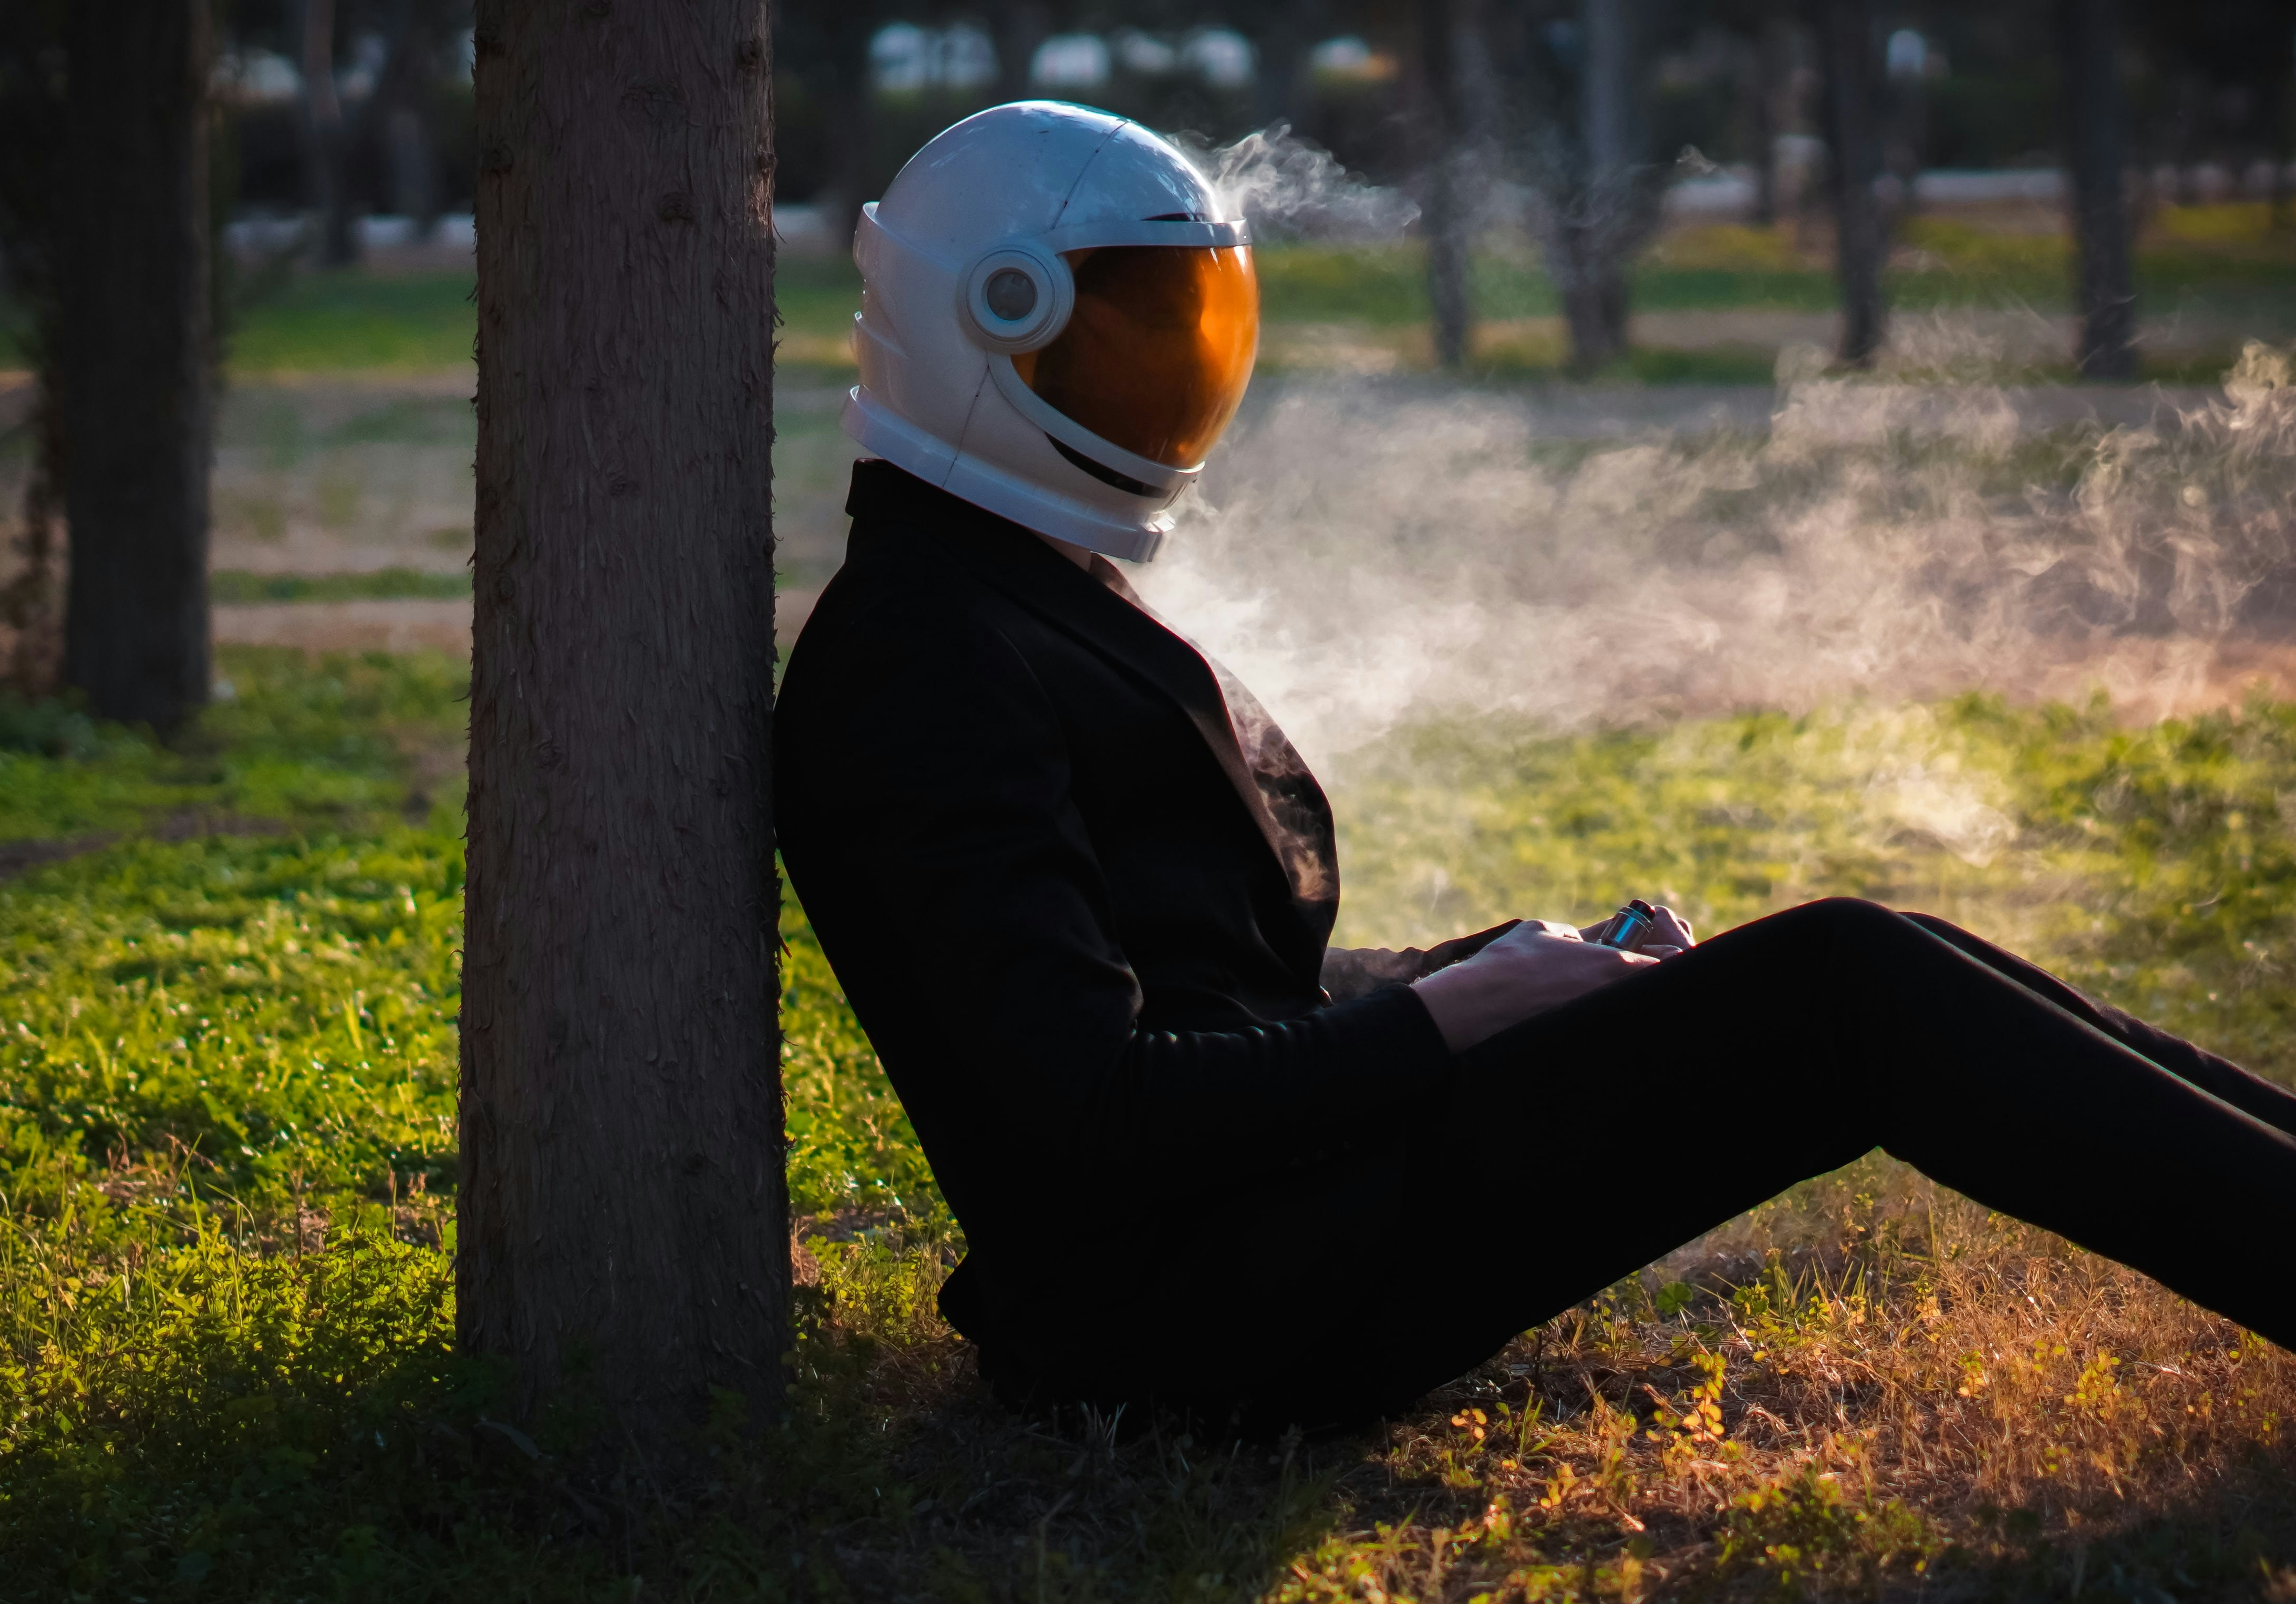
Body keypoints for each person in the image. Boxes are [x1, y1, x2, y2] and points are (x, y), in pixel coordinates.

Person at [773, 102, 2296, 1431]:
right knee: (1845, 987)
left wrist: (1501, 972)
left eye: (1189, 324)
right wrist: (1447, 1025)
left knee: (1869, 955)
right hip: (1197, 1318)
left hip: (1271, 1227)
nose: (1168, 371)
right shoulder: (921, 652)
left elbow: (1216, 988)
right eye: (1124, 329)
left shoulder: (1008, 587)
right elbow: (1084, 1126)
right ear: (996, 318)